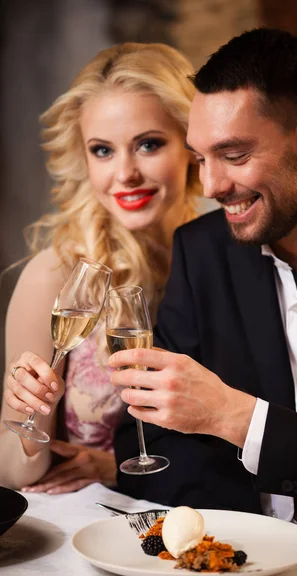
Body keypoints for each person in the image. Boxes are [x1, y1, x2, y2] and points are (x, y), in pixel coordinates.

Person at [110, 28, 297, 576]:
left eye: (234, 155)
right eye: (200, 158)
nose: (212, 185)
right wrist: (294, 524)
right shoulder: (200, 251)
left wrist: (235, 417)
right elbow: (146, 443)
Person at [0, 42, 201, 494]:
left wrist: (115, 464)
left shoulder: (228, 260)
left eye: (148, 144)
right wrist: (29, 426)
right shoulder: (56, 275)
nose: (125, 173)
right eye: (103, 150)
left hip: (215, 518)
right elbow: (11, 472)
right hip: (90, 529)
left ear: (192, 143)